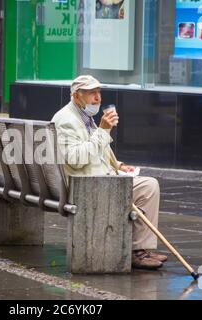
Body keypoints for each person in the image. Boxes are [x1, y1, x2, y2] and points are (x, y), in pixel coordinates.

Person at [51, 75, 167, 270]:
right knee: (148, 187)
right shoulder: (66, 120)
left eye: (99, 93)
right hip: (86, 184)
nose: (98, 98)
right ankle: (137, 252)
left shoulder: (83, 116)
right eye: (91, 94)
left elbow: (96, 149)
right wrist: (104, 130)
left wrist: (119, 165)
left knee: (148, 184)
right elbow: (75, 159)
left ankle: (141, 248)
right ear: (76, 96)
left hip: (98, 177)